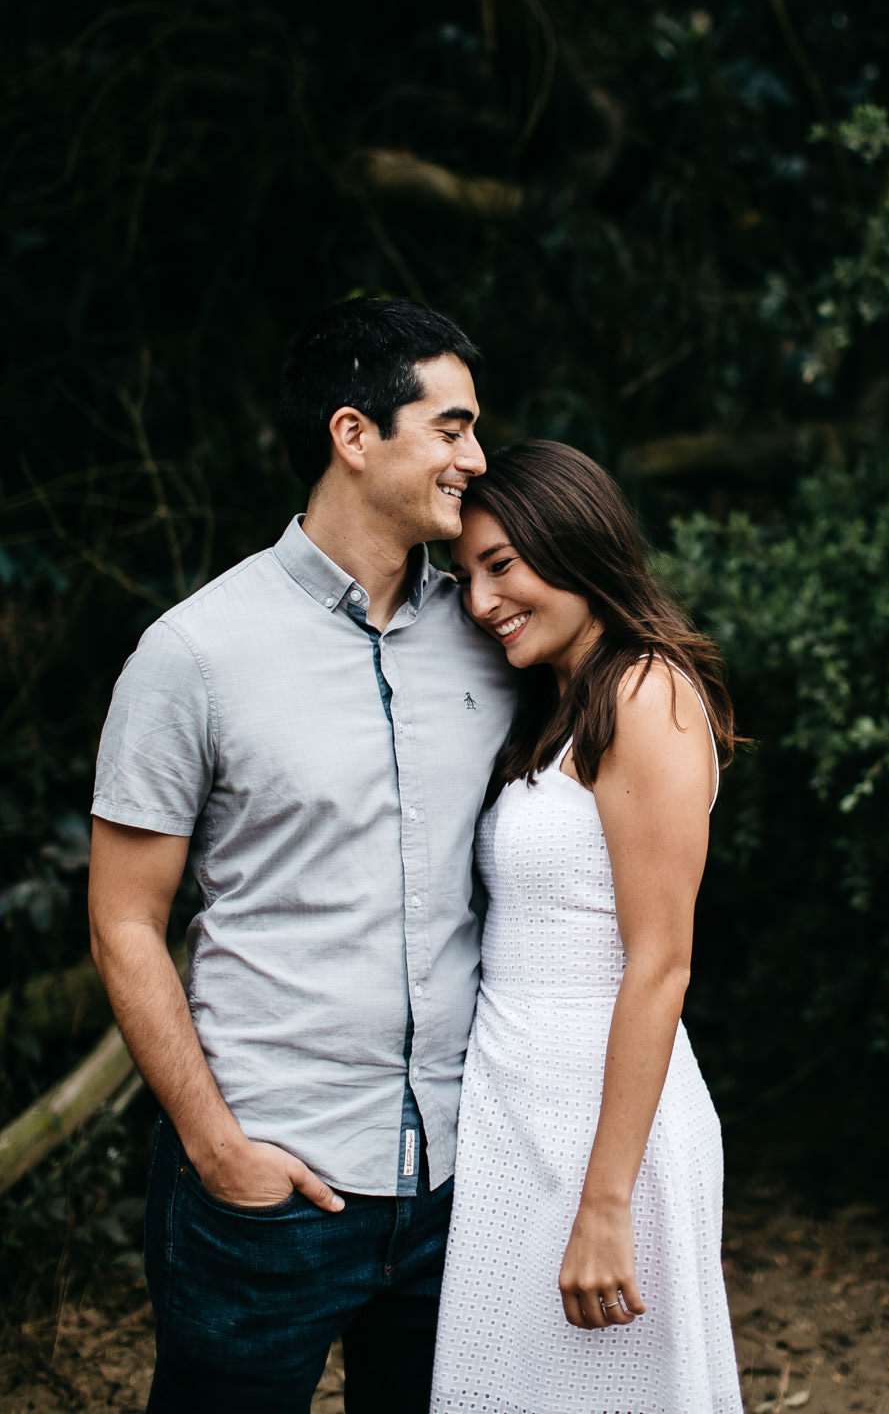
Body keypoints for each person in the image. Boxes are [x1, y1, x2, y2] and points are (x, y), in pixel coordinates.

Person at [87, 298, 517, 1414]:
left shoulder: (494, 633)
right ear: (354, 435)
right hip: (266, 1188)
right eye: (453, 428)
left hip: (456, 1186)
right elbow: (124, 921)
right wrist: (217, 1149)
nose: (477, 459)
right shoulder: (193, 654)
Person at [431, 439, 742, 1413]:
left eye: (502, 568)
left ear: (575, 544)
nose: (481, 603)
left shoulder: (647, 694)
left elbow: (660, 967)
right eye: (467, 576)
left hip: (608, 1136)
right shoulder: (559, 707)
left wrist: (605, 1205)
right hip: (515, 1117)